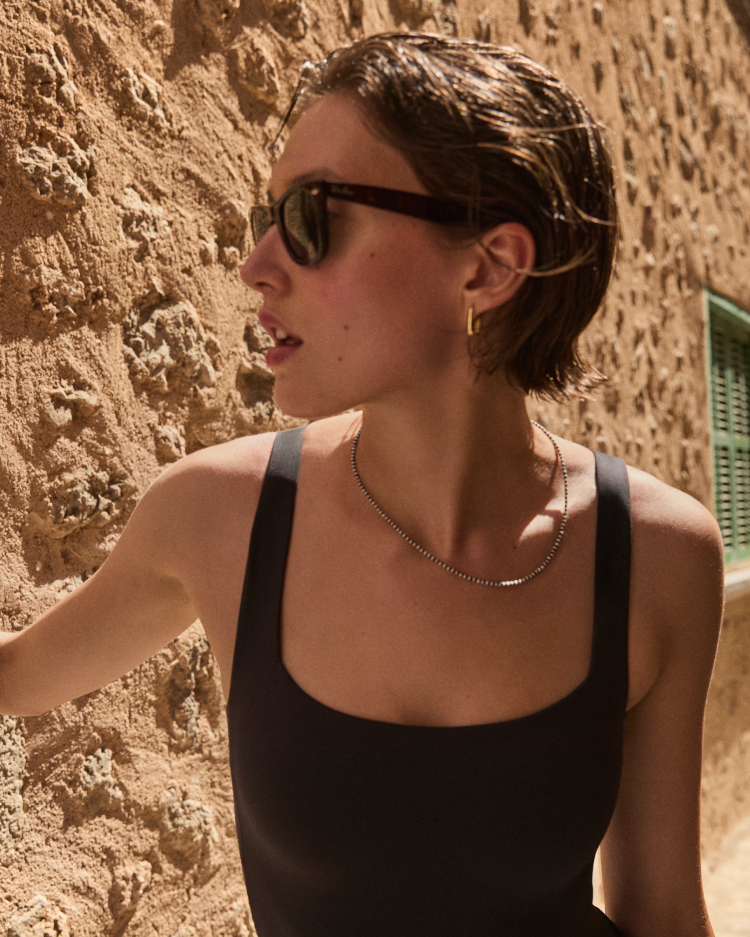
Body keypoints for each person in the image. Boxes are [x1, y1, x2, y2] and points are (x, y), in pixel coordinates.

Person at [0, 32, 723, 937]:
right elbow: (15, 674)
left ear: (490, 265)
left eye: (309, 218)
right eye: (264, 221)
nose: (256, 266)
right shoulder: (218, 517)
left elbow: (662, 908)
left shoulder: (658, 553)